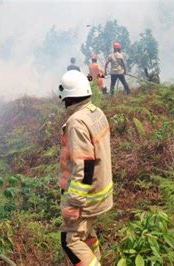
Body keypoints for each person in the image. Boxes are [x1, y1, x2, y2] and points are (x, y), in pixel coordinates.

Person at [57, 70, 113, 266]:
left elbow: (85, 165)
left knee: (70, 241)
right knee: (86, 234)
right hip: (100, 193)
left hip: (87, 198)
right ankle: (95, 260)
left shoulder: (76, 122)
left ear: (69, 97)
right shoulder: (96, 112)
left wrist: (74, 202)